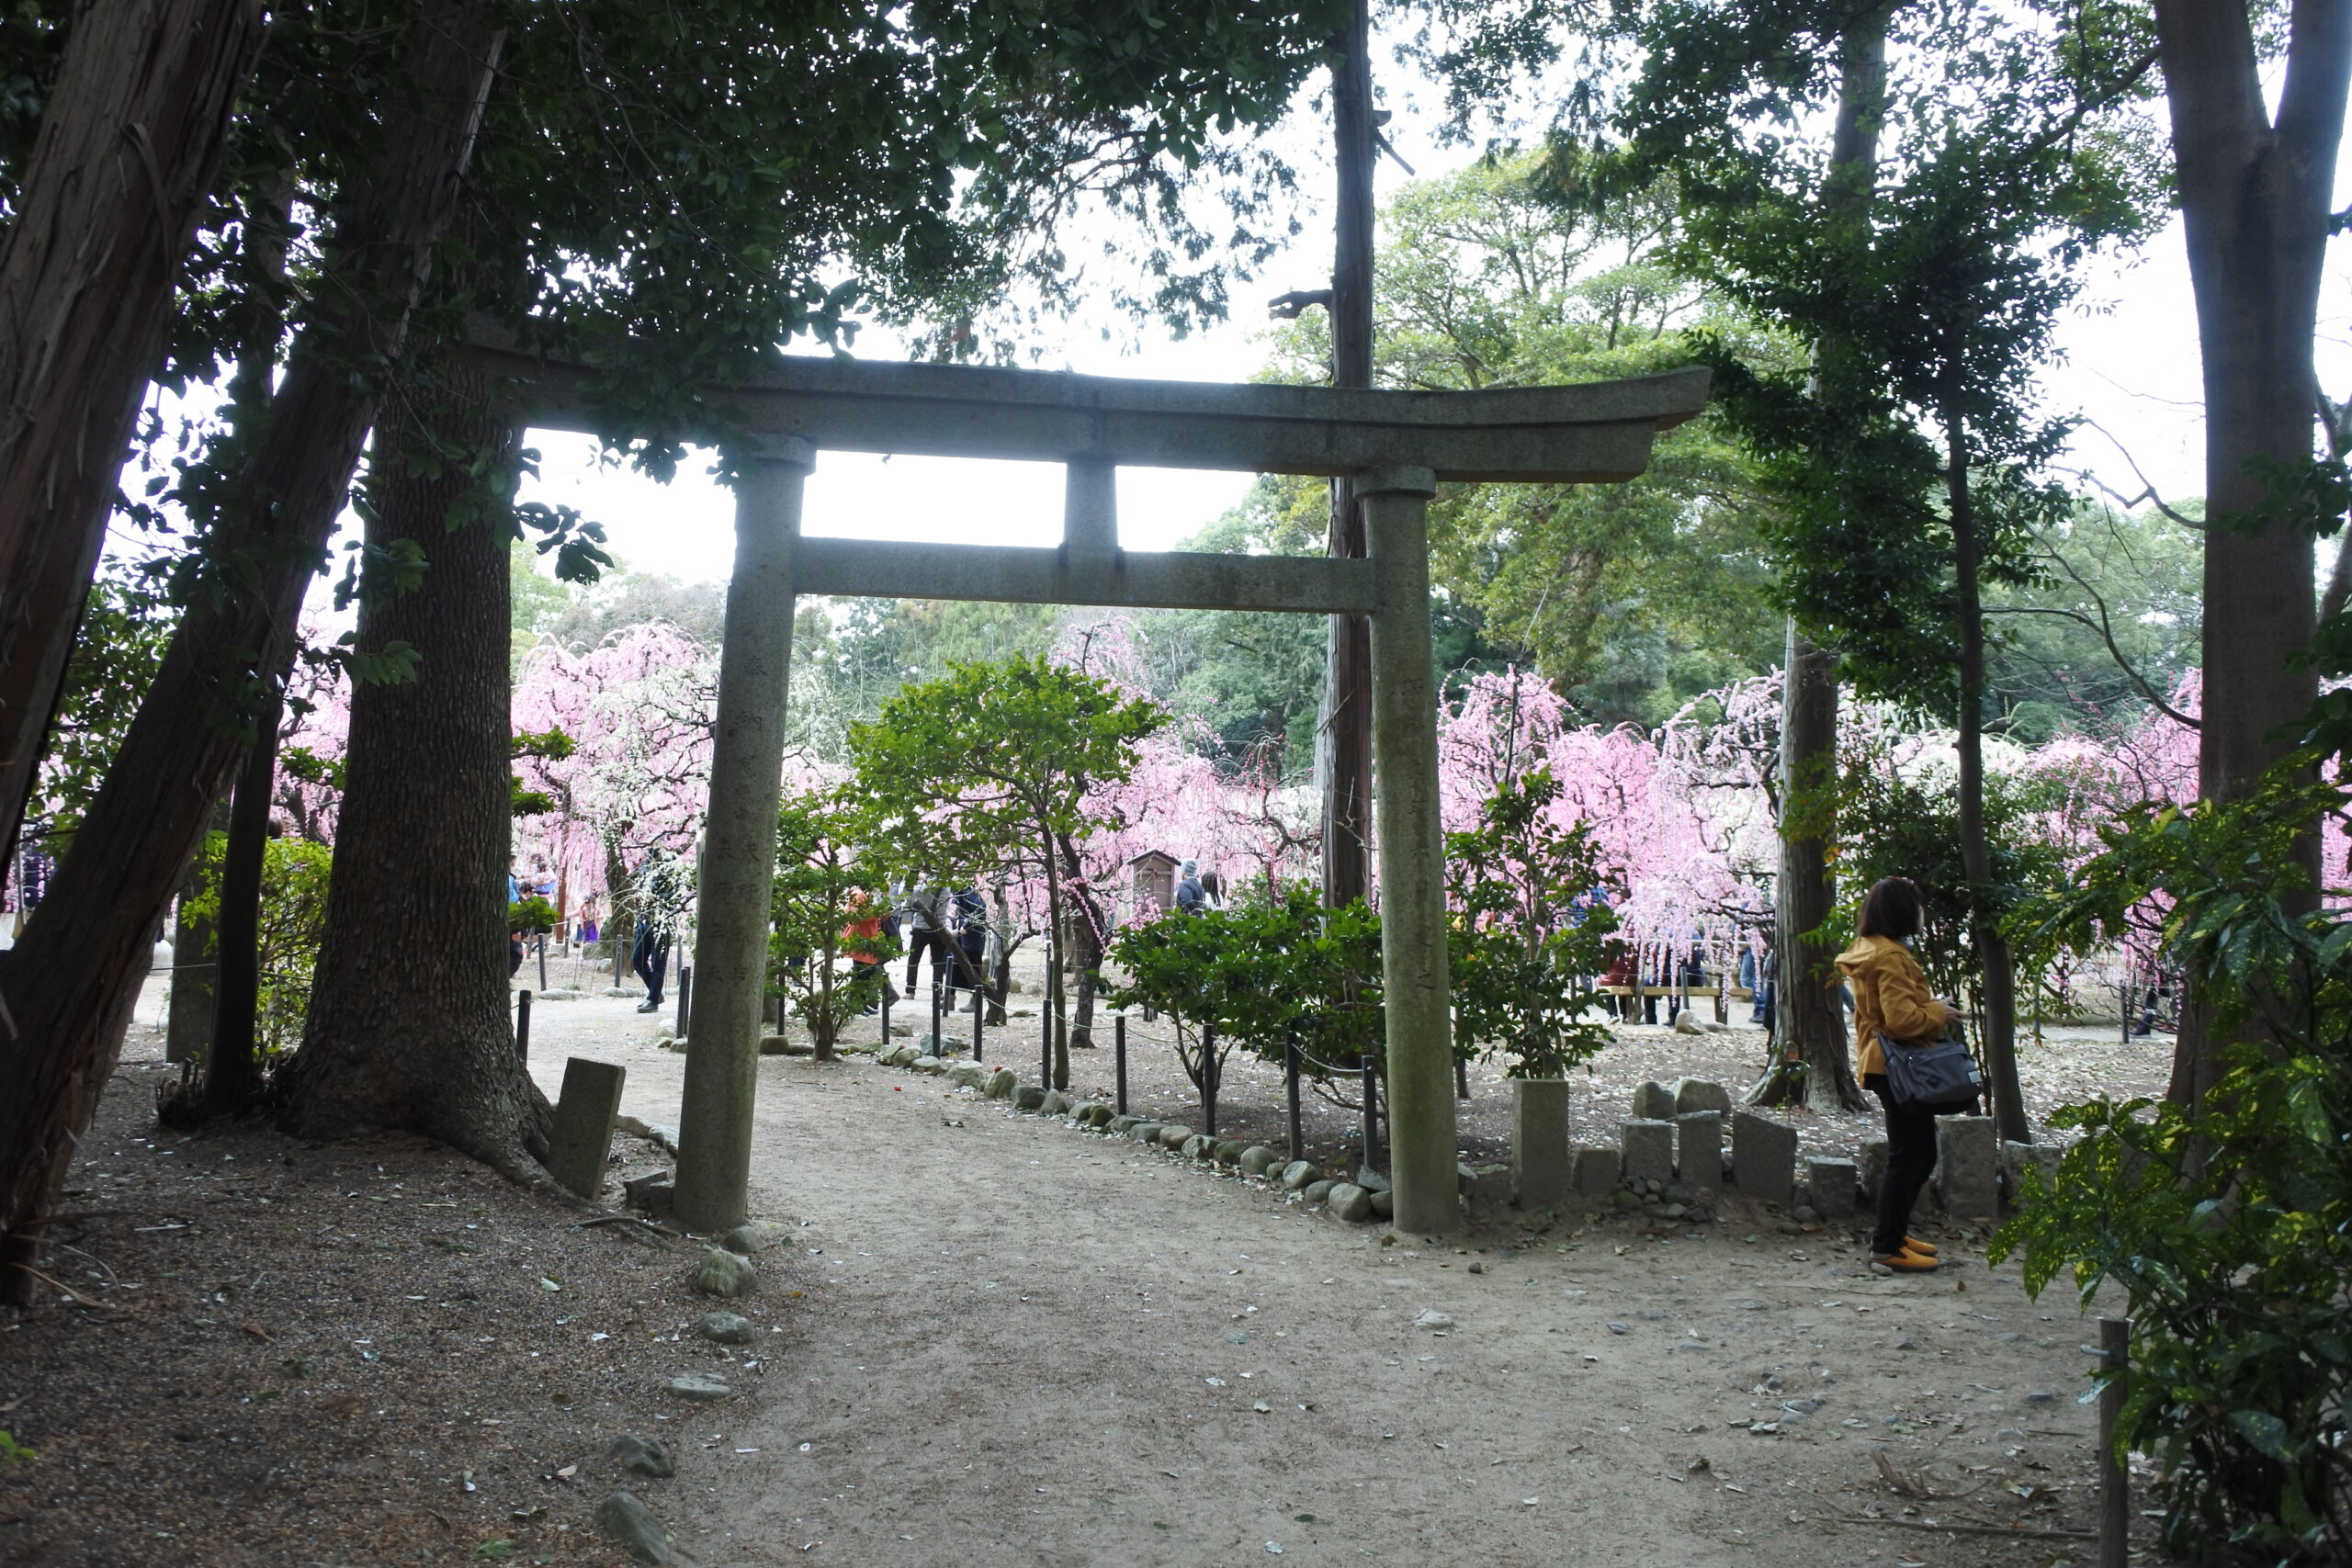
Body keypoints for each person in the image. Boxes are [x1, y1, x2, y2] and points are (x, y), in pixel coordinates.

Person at [1834, 876, 1964, 1273]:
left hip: (1884, 1063)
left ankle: (1895, 1235)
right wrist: (1938, 1011)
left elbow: (1893, 1010)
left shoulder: (1871, 949)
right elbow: (1902, 1020)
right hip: (1897, 1066)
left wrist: (1932, 1006)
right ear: (1903, 911)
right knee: (1909, 1158)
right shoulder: (1890, 957)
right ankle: (1886, 1247)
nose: (1922, 913)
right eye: (1917, 905)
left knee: (1919, 1154)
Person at [632, 850, 687, 1013]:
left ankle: (653, 1000)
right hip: (643, 920)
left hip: (662, 921)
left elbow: (675, 895)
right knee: (637, 959)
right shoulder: (645, 869)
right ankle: (655, 992)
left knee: (658, 962)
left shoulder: (671, 866)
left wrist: (656, 899)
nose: (650, 854)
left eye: (653, 852)